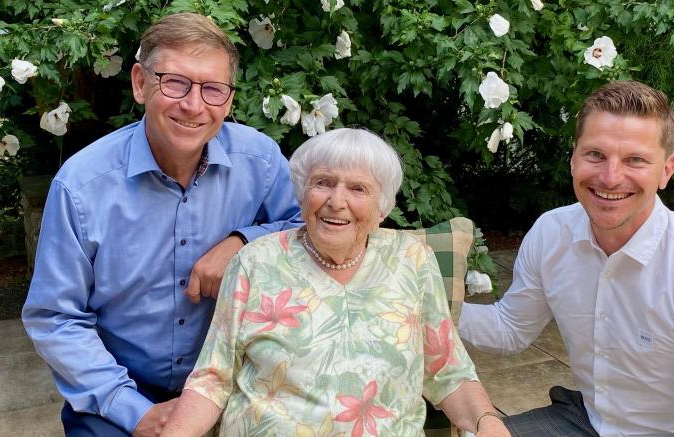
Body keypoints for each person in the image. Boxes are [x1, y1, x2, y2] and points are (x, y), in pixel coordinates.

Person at [21, 13, 302, 437]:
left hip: (233, 381)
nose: (193, 105)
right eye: (175, 82)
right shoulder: (81, 186)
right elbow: (56, 318)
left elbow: (308, 231)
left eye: (212, 89)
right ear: (140, 83)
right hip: (121, 386)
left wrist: (244, 241)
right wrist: (133, 410)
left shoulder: (260, 160)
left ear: (228, 99)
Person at [459, 81, 674, 436]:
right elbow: (509, 330)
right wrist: (425, 303)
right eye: (595, 155)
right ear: (573, 158)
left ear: (667, 170)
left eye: (635, 159)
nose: (610, 177)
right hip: (586, 422)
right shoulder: (551, 234)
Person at [158, 128, 511, 437]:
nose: (336, 201)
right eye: (323, 183)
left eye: (358, 189)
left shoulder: (411, 260)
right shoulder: (256, 261)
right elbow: (212, 380)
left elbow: (447, 372)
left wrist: (487, 421)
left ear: (382, 209)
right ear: (303, 193)